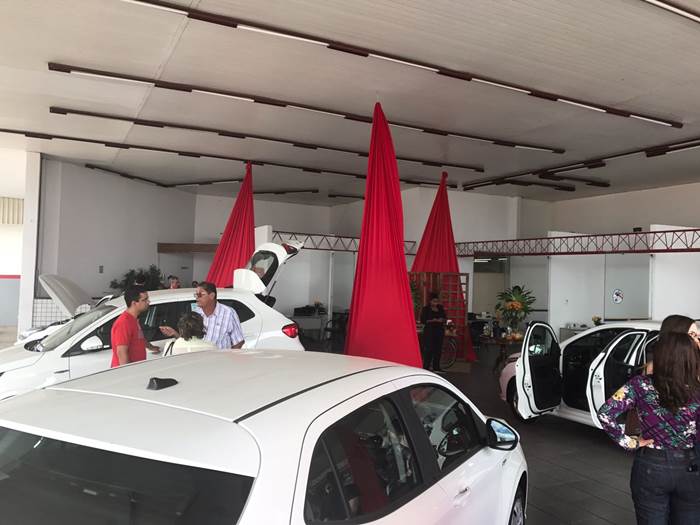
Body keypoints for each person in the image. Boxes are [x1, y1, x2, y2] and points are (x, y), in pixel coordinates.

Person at [598, 333, 700, 523]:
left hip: (651, 465)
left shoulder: (640, 384)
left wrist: (630, 442)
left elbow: (605, 413)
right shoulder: (697, 389)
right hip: (690, 468)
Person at [159, 281, 244, 349]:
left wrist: (227, 359)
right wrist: (174, 334)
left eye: (201, 294)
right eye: (196, 294)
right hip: (199, 361)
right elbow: (190, 341)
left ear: (212, 296)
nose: (197, 297)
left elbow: (239, 342)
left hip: (220, 362)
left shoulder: (228, 313)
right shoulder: (196, 313)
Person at [110, 286, 161, 367]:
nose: (148, 302)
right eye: (144, 300)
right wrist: (129, 372)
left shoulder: (134, 319)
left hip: (137, 369)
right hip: (129, 372)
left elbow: (140, 337)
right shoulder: (124, 323)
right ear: (134, 303)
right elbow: (121, 352)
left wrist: (151, 347)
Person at [420, 292, 447, 372]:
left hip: (439, 331)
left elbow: (444, 318)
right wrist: (432, 320)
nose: (435, 303)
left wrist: (442, 320)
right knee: (428, 350)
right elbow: (423, 320)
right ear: (430, 301)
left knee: (438, 350)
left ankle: (436, 367)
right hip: (429, 331)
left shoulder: (440, 308)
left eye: (437, 301)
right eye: (434, 301)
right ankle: (426, 367)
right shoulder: (426, 309)